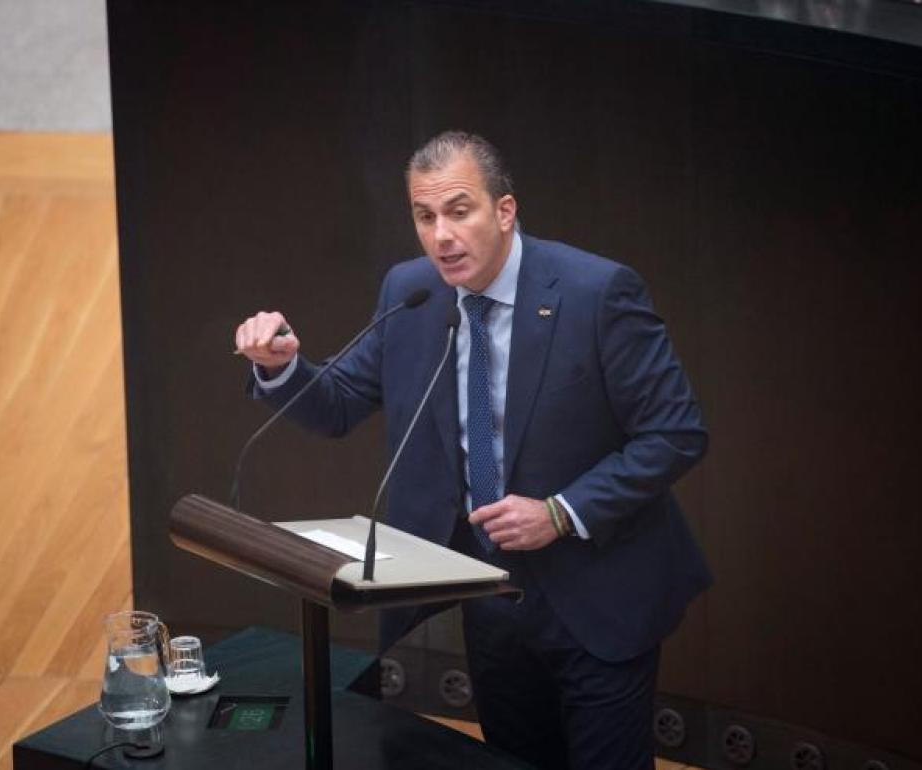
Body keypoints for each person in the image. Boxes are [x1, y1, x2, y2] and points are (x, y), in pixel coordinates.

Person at [234, 131, 711, 770]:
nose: (442, 237)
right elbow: (340, 403)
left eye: (459, 211)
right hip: (488, 596)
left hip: (599, 594)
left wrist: (560, 511)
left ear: (504, 211)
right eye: (425, 216)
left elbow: (676, 432)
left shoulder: (597, 293)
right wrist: (281, 368)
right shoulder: (411, 292)